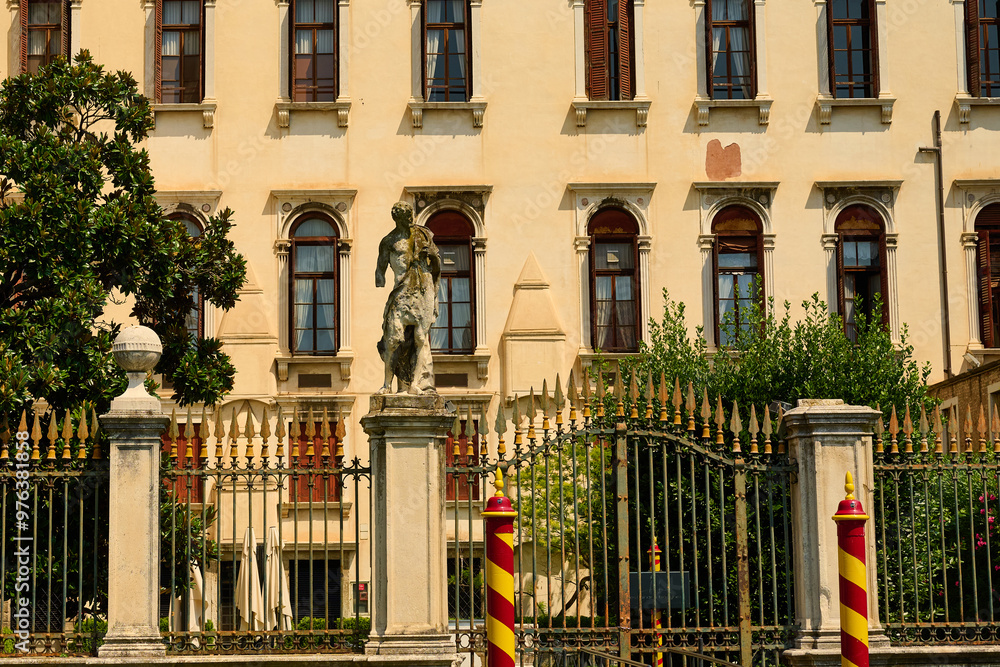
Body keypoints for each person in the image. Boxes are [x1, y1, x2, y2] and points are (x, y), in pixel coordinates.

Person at [375, 201, 441, 394]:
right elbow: (379, 272)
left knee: (421, 338)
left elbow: (436, 266)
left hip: (422, 290)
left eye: (408, 217)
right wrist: (381, 276)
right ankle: (387, 385)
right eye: (402, 218)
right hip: (401, 292)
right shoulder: (389, 241)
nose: (407, 221)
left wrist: (434, 257)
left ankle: (415, 384)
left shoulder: (423, 236)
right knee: (393, 338)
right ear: (395, 218)